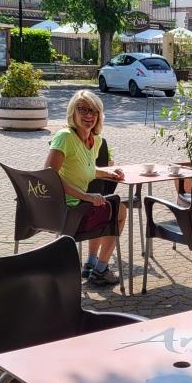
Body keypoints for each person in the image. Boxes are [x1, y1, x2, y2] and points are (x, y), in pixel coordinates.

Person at [45, 90, 127, 285]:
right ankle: (101, 269)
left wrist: (109, 173)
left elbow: (86, 169)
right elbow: (49, 175)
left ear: (99, 115)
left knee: (109, 206)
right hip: (68, 210)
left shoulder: (94, 139)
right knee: (119, 211)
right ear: (72, 112)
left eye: (93, 111)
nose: (89, 115)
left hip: (79, 206)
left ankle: (91, 264)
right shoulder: (65, 137)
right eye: (83, 110)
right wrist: (86, 196)